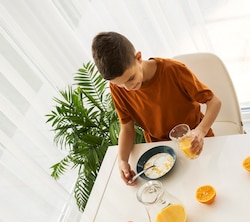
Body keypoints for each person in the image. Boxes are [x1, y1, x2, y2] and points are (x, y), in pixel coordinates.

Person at [91, 31, 221, 185]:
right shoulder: (118, 88)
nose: (128, 88)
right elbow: (126, 128)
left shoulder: (173, 70)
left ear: (138, 58)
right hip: (160, 154)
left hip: (195, 141)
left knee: (212, 183)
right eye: (120, 84)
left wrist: (201, 131)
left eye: (131, 78)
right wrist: (122, 161)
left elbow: (214, 102)